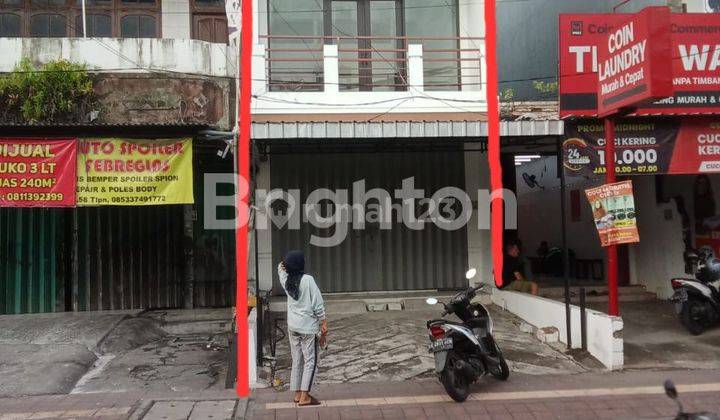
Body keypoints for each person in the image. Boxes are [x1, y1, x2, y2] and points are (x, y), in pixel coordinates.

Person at [278, 250, 327, 406]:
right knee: (311, 361)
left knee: (297, 360)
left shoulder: (286, 280)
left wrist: (284, 264)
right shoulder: (308, 280)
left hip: (293, 327)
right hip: (308, 329)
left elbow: (280, 267)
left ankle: (297, 394)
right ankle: (305, 396)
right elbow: (317, 303)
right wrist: (323, 321)